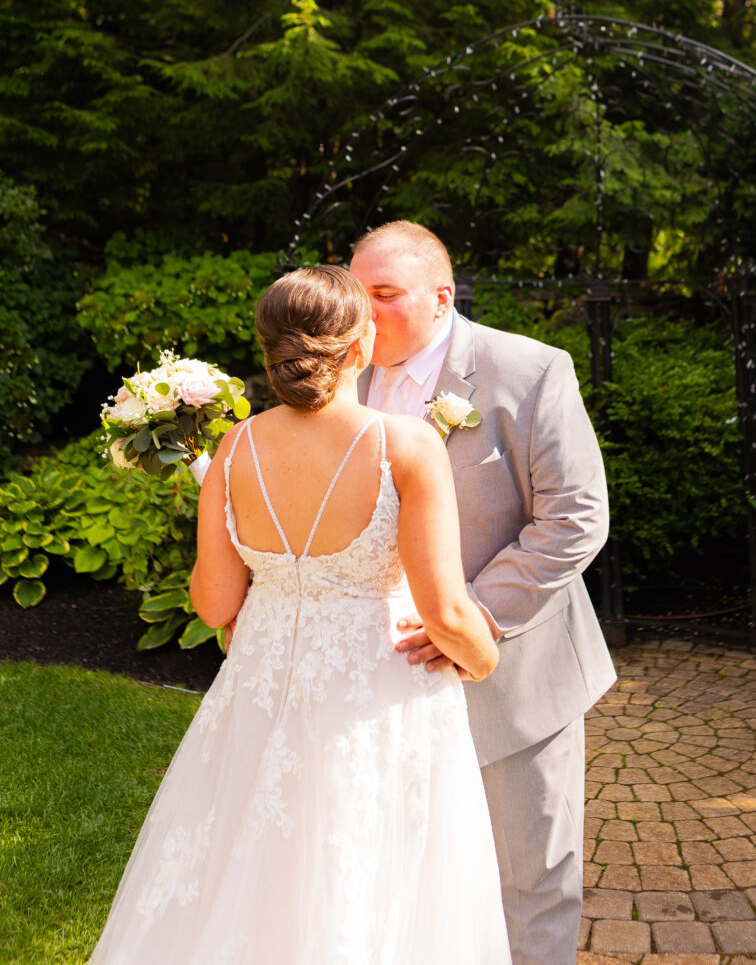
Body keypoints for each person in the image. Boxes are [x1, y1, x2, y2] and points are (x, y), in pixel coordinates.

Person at [88, 265, 510, 965]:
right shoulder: (405, 445)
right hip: (379, 696)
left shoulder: (234, 447)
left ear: (271, 350)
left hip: (261, 695)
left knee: (249, 877)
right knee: (370, 885)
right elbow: (446, 612)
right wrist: (486, 659)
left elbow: (216, 603)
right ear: (361, 347)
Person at [350, 221, 618, 965]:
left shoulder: (528, 371)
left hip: (514, 676)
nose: (364, 315)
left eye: (385, 296)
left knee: (529, 882)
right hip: (382, 680)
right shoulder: (345, 377)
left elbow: (576, 518)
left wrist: (465, 618)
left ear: (441, 297)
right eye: (355, 294)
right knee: (404, 875)